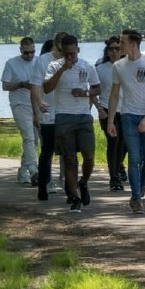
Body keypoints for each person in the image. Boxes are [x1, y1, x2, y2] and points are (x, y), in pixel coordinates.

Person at [106, 29, 145, 215]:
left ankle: (140, 185)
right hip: (128, 115)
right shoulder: (118, 66)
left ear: (133, 44)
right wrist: (111, 121)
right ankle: (136, 197)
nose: (119, 45)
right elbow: (114, 94)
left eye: (122, 42)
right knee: (134, 158)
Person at [43, 33, 101, 213]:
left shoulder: (87, 66)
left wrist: (85, 94)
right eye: (67, 54)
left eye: (73, 53)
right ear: (62, 53)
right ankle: (74, 197)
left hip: (83, 115)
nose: (71, 57)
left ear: (78, 50)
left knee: (89, 156)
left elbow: (97, 87)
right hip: (63, 116)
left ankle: (83, 182)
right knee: (69, 159)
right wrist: (63, 69)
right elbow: (46, 88)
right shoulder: (54, 66)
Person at [0, 37, 42, 184]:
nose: (29, 55)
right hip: (19, 104)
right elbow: (5, 85)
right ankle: (34, 170)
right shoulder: (11, 63)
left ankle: (23, 171)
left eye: (32, 52)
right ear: (20, 50)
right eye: (26, 53)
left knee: (34, 140)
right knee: (29, 137)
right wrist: (22, 84)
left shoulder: (39, 62)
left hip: (36, 104)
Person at [95, 37, 128, 191]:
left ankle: (119, 164)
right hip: (107, 110)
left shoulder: (127, 66)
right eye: (111, 49)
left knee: (124, 144)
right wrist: (98, 109)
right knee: (114, 142)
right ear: (107, 52)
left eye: (117, 49)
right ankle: (114, 178)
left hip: (126, 109)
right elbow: (93, 91)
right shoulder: (100, 68)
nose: (114, 52)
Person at [30, 39, 58, 201]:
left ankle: (68, 185)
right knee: (47, 150)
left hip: (63, 113)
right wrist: (36, 113)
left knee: (68, 152)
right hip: (46, 114)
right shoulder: (42, 64)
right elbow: (35, 90)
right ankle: (45, 182)